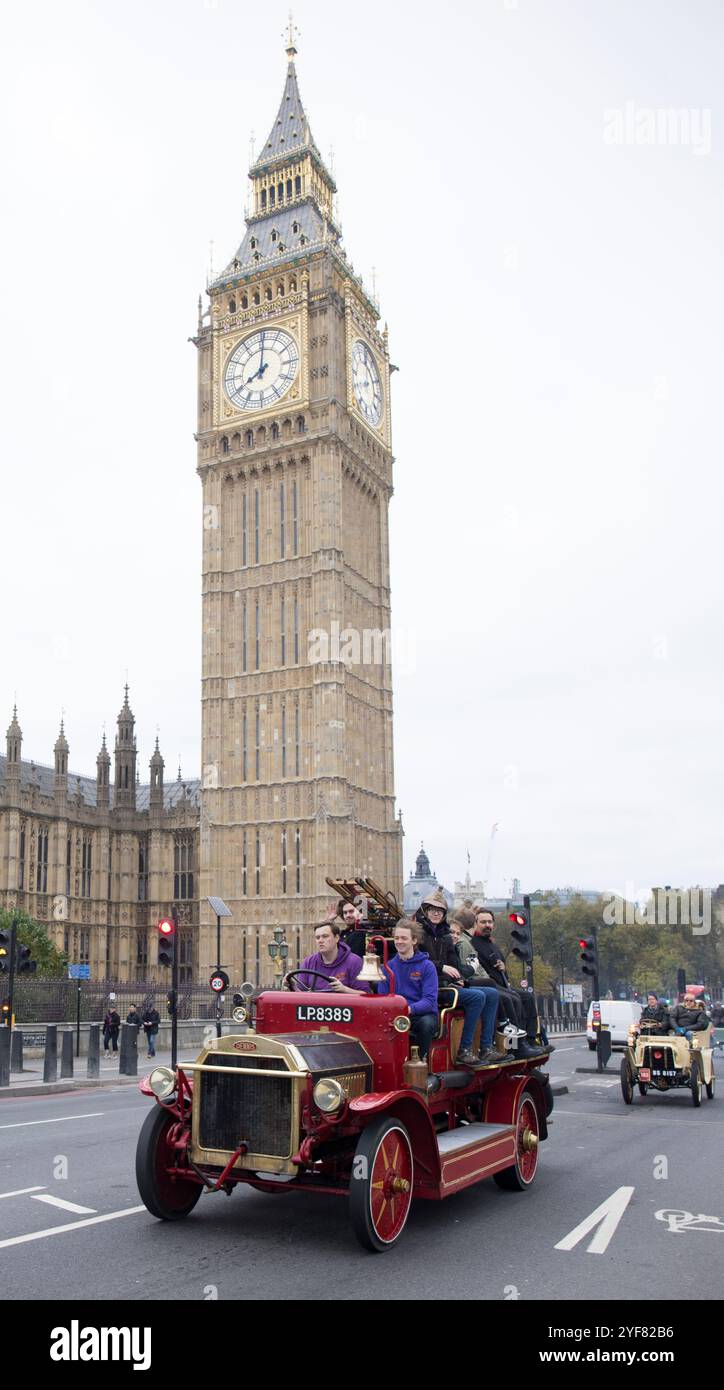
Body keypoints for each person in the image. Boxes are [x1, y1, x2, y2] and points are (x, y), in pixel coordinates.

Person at [414, 891, 504, 1066]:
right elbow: (417, 961)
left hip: (447, 984)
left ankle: (486, 1048)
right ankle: (464, 1049)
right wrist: (441, 967)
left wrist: (459, 976)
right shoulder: (419, 933)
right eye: (432, 909)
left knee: (492, 994)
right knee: (477, 997)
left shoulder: (445, 935)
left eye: (439, 910)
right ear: (425, 911)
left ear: (444, 913)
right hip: (431, 988)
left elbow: (453, 963)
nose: (435, 913)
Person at [470, 908, 547, 1058]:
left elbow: (502, 971)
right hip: (489, 985)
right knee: (513, 999)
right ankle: (515, 1046)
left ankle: (530, 1040)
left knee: (528, 997)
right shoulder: (473, 944)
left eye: (490, 922)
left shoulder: (492, 944)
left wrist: (504, 969)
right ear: (476, 924)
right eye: (483, 922)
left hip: (502, 984)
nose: (487, 925)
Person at [375, 920, 440, 1059]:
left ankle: (422, 1063)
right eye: (396, 938)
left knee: (426, 1024)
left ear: (414, 940)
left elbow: (429, 1001)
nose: (399, 941)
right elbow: (382, 996)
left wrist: (407, 1009)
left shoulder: (427, 966)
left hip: (420, 1015)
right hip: (395, 1015)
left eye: (404, 938)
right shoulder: (387, 967)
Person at [292, 920, 370, 994]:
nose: (320, 940)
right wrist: (292, 986)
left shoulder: (354, 961)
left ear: (337, 938)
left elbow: (365, 994)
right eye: (317, 937)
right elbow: (300, 994)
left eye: (325, 936)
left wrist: (345, 989)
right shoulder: (308, 962)